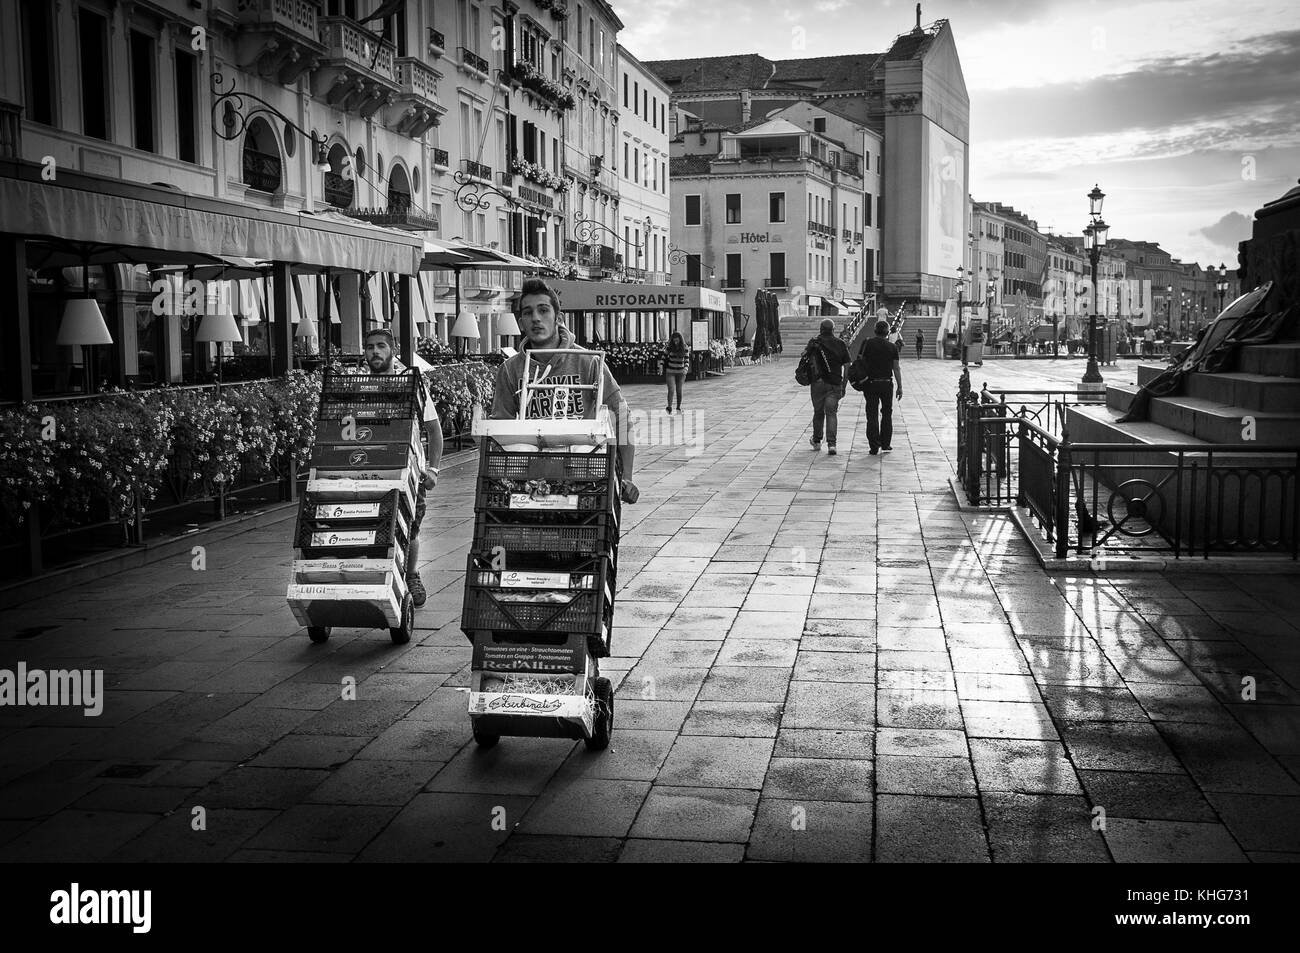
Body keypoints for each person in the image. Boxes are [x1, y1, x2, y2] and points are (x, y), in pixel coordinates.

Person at [491, 278, 640, 503]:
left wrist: (626, 477)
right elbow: (499, 428)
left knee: (583, 452)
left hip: (582, 475)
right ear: (521, 322)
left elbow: (622, 416)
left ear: (558, 318)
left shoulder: (588, 362)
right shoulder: (510, 370)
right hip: (530, 479)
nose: (536, 318)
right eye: (528, 313)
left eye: (543, 310)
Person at [361, 328, 443, 608]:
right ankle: (376, 575)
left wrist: (433, 470)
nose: (375, 351)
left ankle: (411, 574)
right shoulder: (357, 384)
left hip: (409, 471)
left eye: (381, 346)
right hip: (370, 468)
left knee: (411, 528)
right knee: (371, 524)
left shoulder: (411, 383)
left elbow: (434, 430)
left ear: (392, 350)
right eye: (370, 346)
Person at [849, 319, 904, 455]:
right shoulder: (892, 347)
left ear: (875, 331)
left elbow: (859, 360)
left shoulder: (867, 343)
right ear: (887, 332)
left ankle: (874, 445)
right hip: (886, 383)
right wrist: (900, 386)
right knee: (887, 413)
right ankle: (885, 443)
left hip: (870, 383)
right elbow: (896, 368)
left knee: (872, 414)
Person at [805, 318, 851, 456]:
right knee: (831, 413)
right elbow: (847, 366)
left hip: (817, 383)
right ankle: (832, 444)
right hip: (834, 382)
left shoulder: (814, 342)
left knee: (818, 412)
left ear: (820, 329)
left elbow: (806, 360)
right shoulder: (840, 343)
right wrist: (844, 385)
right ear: (833, 330)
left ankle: (817, 441)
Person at [661, 330, 689, 414]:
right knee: (671, 389)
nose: (676, 342)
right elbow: (663, 357)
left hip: (681, 372)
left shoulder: (685, 347)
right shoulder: (669, 347)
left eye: (677, 340)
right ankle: (669, 407)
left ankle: (678, 407)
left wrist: (686, 369)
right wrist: (661, 366)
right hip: (670, 371)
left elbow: (687, 360)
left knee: (679, 390)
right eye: (674, 340)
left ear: (680, 340)